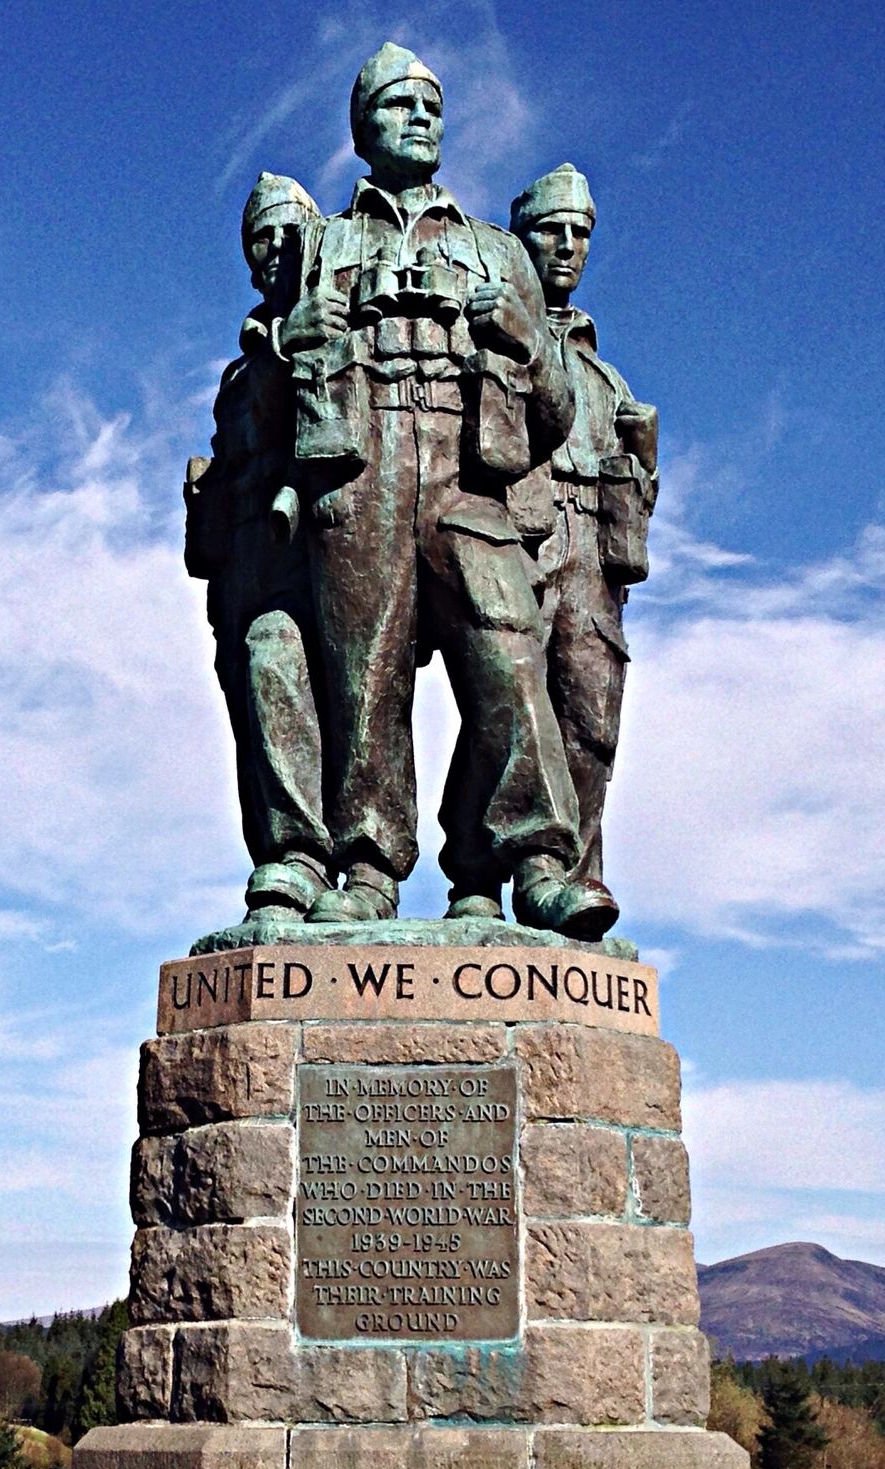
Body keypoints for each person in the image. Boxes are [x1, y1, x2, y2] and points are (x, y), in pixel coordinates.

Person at [281, 44, 615, 937]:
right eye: (397, 105)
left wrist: (530, 341)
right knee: (364, 677)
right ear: (362, 129)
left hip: (470, 476)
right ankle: (365, 865)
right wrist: (294, 344)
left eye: (431, 104)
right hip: (364, 468)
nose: (420, 118)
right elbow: (268, 410)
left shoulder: (495, 251)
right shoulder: (324, 246)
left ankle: (541, 859)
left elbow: (557, 409)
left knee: (509, 658)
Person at [507, 163, 658, 907]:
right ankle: (487, 871)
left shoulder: (607, 379)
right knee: (511, 709)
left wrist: (641, 470)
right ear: (519, 237)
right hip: (522, 540)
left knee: (591, 722)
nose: (567, 246)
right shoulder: (502, 340)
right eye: (551, 230)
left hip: (592, 555)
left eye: (581, 233)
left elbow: (640, 491)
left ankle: (577, 877)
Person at [185, 173, 333, 919]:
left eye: (284, 233)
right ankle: (278, 865)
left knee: (285, 665)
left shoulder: (326, 332)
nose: (272, 250)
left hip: (307, 559)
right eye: (258, 239)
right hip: (237, 566)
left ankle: (304, 855)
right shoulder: (237, 370)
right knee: (256, 720)